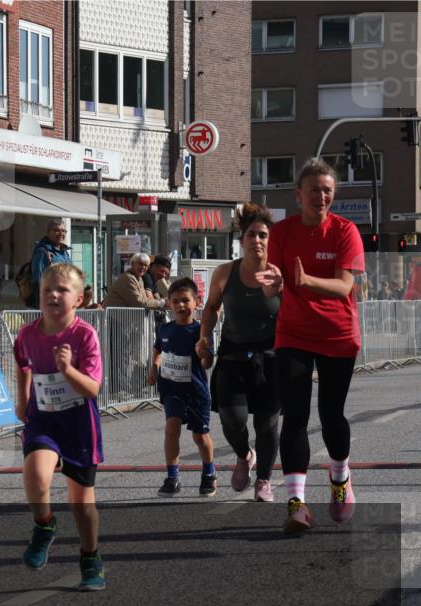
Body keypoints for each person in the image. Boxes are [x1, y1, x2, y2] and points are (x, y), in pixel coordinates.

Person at [255, 158, 365, 535]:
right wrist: (272, 285)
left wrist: (306, 281)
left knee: (331, 416)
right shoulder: (282, 232)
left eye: (327, 190)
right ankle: (297, 505)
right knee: (295, 416)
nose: (321, 196)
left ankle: (340, 477)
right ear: (298, 194)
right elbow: (273, 286)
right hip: (294, 334)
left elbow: (345, 285)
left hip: (337, 333)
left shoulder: (345, 231)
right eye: (314, 189)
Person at [13, 263, 106, 591]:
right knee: (36, 474)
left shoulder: (84, 335)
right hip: (43, 419)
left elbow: (92, 389)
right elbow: (23, 364)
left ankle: (90, 556)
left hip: (78, 424)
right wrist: (23, 399)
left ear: (79, 299)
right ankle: (44, 525)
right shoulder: (27, 334)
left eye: (62, 290)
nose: (53, 295)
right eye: (47, 290)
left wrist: (67, 369)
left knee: (82, 503)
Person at [198, 203, 281, 502]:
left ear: (270, 239)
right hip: (233, 356)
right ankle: (245, 455)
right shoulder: (225, 272)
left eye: (262, 235)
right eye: (251, 235)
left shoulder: (278, 273)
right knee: (232, 420)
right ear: (241, 239)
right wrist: (204, 339)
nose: (256, 240)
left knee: (267, 424)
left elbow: (296, 313)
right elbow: (211, 308)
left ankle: (264, 481)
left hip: (271, 358)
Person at [147, 277, 216, 497]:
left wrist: (204, 354)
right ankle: (172, 477)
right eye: (175, 301)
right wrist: (154, 368)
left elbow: (207, 363)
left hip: (195, 391)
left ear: (196, 302)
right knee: (171, 428)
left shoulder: (201, 331)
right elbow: (158, 350)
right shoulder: (164, 329)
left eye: (185, 300)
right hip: (171, 389)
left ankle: (209, 473)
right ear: (169, 303)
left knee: (200, 436)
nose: (180, 305)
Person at [29, 220, 73, 307]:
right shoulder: (43, 253)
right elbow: (37, 281)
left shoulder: (64, 253)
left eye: (63, 231)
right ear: (48, 232)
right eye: (56, 230)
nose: (61, 233)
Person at [102, 253, 166, 310]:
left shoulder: (139, 278)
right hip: (115, 317)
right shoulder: (128, 278)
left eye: (146, 265)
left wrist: (161, 302)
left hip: (123, 317)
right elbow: (138, 302)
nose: (143, 267)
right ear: (132, 264)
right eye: (140, 264)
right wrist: (160, 303)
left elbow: (144, 299)